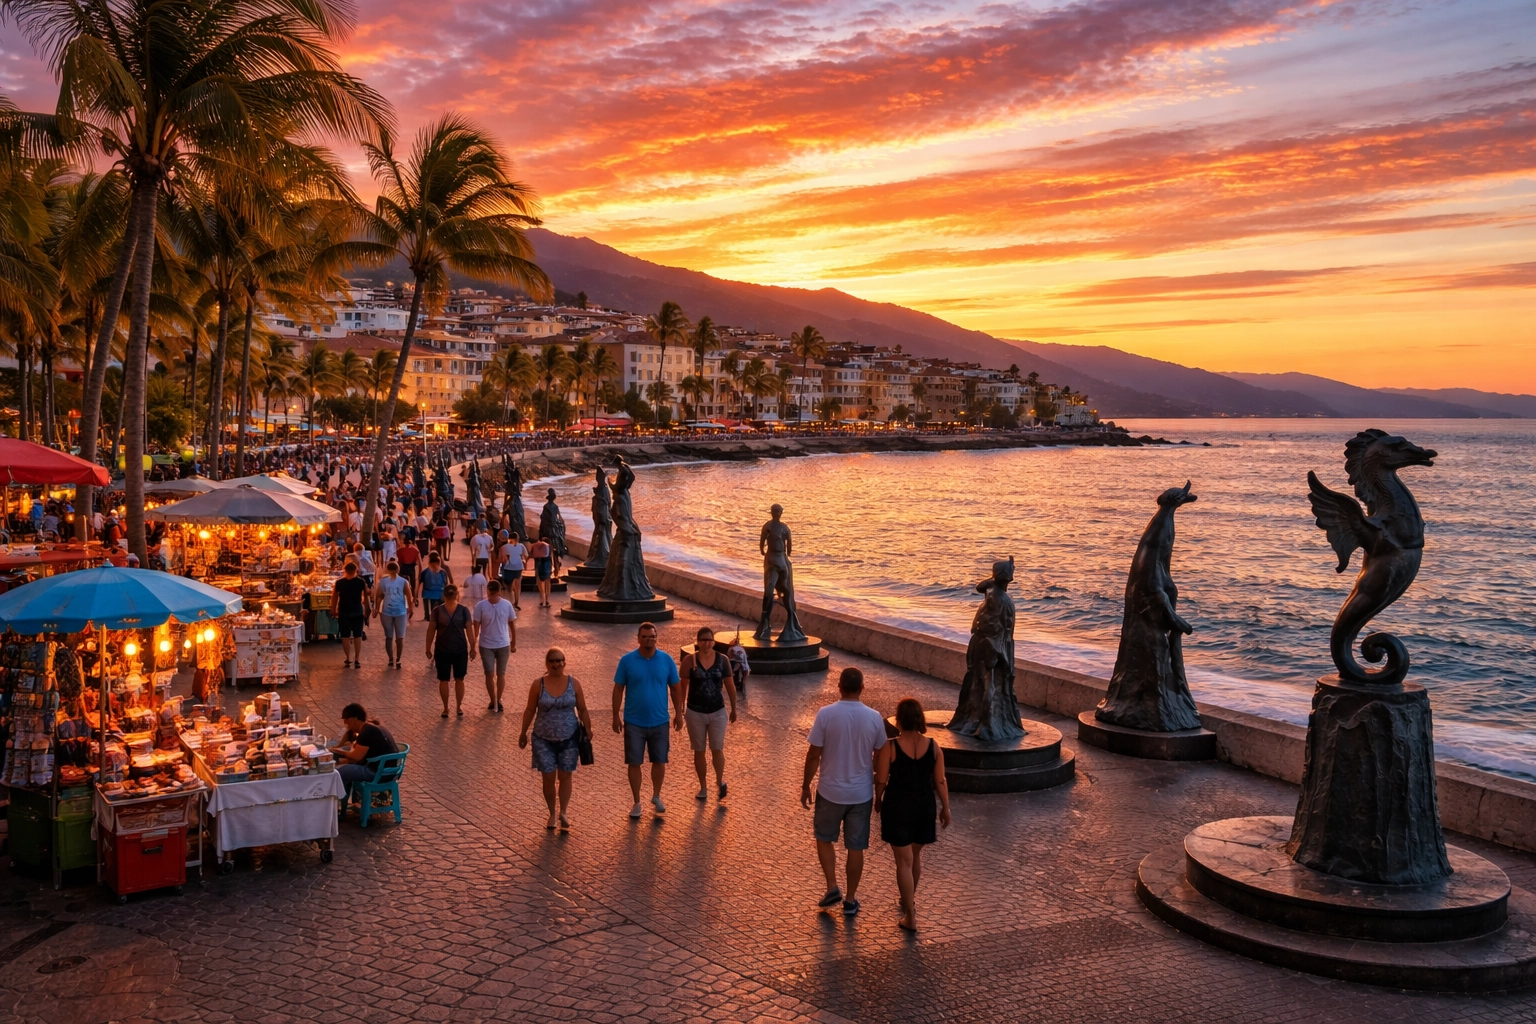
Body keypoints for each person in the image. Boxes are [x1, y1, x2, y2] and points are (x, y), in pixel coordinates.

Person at [801, 667, 887, 917]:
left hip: (830, 791)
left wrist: (806, 785)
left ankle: (831, 886)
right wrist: (878, 788)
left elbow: (814, 754)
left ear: (839, 686)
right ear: (862, 688)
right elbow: (881, 753)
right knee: (856, 847)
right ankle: (850, 899)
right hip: (861, 794)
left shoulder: (826, 714)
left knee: (824, 837)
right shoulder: (874, 717)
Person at [875, 697, 951, 932]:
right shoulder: (934, 746)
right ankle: (908, 901)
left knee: (903, 861)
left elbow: (881, 778)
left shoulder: (892, 746)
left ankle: (910, 915)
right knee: (915, 857)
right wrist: (945, 807)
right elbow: (940, 780)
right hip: (924, 805)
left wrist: (878, 799)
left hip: (898, 805)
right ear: (920, 719)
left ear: (899, 719)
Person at [612, 622, 682, 820]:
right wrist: (615, 714)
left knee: (659, 760)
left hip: (660, 720)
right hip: (634, 721)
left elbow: (676, 688)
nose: (648, 640)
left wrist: (679, 713)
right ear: (638, 638)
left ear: (656, 638)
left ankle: (656, 795)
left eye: (652, 636)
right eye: (644, 637)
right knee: (634, 762)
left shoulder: (666, 660)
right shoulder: (627, 661)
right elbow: (618, 688)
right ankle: (636, 802)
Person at [518, 647, 593, 831]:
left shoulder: (574, 683)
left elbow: (582, 709)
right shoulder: (538, 684)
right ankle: (552, 813)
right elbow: (530, 709)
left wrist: (588, 729)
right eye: (552, 661)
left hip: (569, 737)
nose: (556, 664)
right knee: (548, 776)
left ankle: (564, 812)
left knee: (566, 775)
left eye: (559, 660)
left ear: (564, 662)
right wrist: (523, 732)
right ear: (547, 663)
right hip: (543, 738)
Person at [679, 627, 737, 801]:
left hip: (718, 711)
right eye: (703, 640)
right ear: (698, 641)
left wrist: (734, 708)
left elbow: (730, 685)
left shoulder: (723, 660)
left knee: (717, 748)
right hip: (695, 712)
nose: (707, 643)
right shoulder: (689, 661)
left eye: (709, 640)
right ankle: (703, 786)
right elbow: (682, 686)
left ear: (713, 641)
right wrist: (680, 708)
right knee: (699, 750)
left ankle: (720, 781)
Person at [329, 703, 399, 800]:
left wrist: (338, 750)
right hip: (389, 770)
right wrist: (340, 747)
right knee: (345, 764)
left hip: (378, 773)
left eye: (346, 719)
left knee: (340, 772)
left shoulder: (366, 732)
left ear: (355, 718)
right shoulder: (372, 727)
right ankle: (347, 799)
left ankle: (333, 801)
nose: (345, 723)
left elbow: (357, 757)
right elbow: (350, 736)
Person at [424, 583, 474, 717]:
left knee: (444, 680)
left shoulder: (437, 611)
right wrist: (473, 647)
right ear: (457, 595)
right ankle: (459, 707)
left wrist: (427, 648)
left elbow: (430, 630)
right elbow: (469, 629)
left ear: (443, 596)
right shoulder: (464, 610)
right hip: (460, 649)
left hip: (442, 649)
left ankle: (445, 708)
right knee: (459, 679)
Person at [473, 579, 517, 712]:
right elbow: (512, 625)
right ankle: (497, 700)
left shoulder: (480, 606)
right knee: (500, 674)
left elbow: (476, 627)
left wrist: (473, 644)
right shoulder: (507, 604)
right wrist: (513, 641)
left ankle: (494, 700)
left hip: (488, 644)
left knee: (490, 674)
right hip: (502, 643)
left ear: (488, 590)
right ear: (500, 591)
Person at [373, 560, 415, 670]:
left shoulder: (383, 581)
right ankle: (398, 658)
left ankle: (391, 658)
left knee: (389, 637)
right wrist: (411, 609)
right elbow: (409, 596)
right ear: (398, 569)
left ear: (387, 569)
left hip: (386, 611)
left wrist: (377, 609)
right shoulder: (403, 581)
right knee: (400, 637)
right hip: (400, 611)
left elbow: (379, 596)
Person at [331, 562, 371, 668]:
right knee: (358, 636)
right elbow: (366, 595)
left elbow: (334, 597)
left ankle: (348, 658)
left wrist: (333, 609)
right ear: (356, 570)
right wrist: (367, 610)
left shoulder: (339, 583)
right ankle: (357, 658)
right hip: (357, 611)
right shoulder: (360, 582)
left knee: (345, 636)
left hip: (343, 611)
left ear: (345, 570)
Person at [498, 531, 527, 610]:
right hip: (519, 568)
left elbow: (500, 559)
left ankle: (509, 603)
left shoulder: (504, 547)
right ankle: (516, 602)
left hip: (508, 568)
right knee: (518, 585)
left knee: (508, 587)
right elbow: (526, 556)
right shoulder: (521, 546)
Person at [419, 552, 451, 616]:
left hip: (427, 594)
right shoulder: (443, 572)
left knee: (430, 612)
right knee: (439, 612)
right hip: (439, 594)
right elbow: (446, 584)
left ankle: (427, 615)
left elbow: (419, 583)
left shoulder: (425, 572)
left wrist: (415, 597)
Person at [529, 534, 554, 608]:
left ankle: (542, 600)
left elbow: (531, 555)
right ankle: (546, 600)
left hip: (539, 567)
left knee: (540, 583)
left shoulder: (537, 547)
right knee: (547, 582)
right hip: (548, 566)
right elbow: (552, 559)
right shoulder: (550, 548)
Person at [727, 634, 751, 698]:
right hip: (744, 667)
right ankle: (740, 685)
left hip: (739, 666)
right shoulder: (741, 649)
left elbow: (729, 657)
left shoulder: (731, 649)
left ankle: (738, 685)